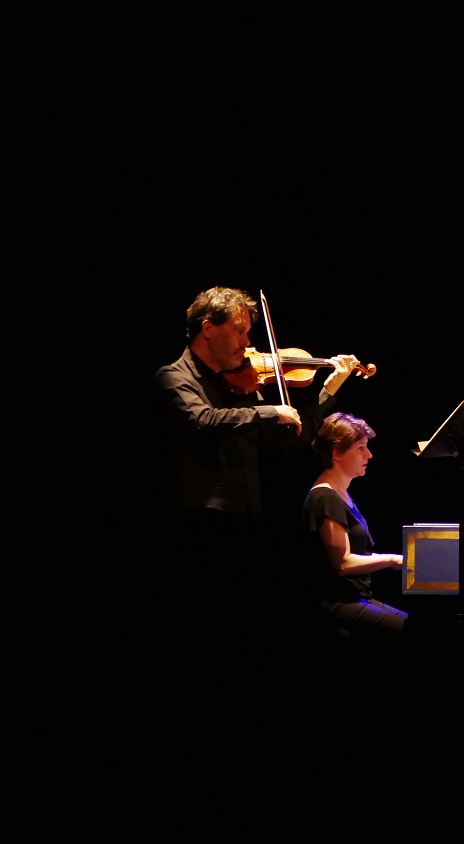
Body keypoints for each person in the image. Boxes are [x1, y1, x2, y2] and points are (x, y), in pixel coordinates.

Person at [147, 286, 366, 745]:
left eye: (250, 332)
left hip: (246, 526)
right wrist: (268, 411)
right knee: (203, 639)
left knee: (247, 641)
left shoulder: (241, 382)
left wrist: (327, 389)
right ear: (208, 329)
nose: (249, 345)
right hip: (200, 529)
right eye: (240, 332)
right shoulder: (173, 377)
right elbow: (202, 421)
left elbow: (289, 441)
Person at [300, 411, 407, 655]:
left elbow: (357, 554)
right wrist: (393, 560)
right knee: (413, 633)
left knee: (420, 626)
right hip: (337, 603)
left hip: (356, 597)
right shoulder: (325, 497)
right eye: (360, 448)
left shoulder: (341, 493)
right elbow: (344, 563)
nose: (369, 455)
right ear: (336, 453)